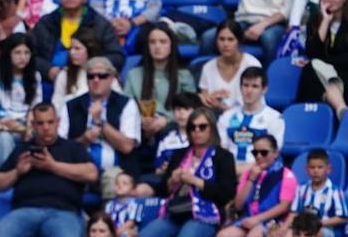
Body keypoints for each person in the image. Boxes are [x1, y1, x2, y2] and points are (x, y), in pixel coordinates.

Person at [0, 102, 99, 237]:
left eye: (50, 122)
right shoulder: (23, 148)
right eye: (40, 123)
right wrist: (17, 172)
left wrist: (53, 166)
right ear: (33, 124)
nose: (46, 127)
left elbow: (92, 173)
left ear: (58, 121)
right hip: (25, 210)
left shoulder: (73, 147)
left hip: (62, 211)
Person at [134, 107, 238, 237]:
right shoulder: (179, 154)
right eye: (192, 127)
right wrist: (172, 181)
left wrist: (195, 181)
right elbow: (163, 190)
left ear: (212, 129)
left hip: (205, 214)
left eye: (202, 127)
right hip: (177, 210)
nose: (197, 131)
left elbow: (226, 193)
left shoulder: (223, 157)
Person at [28, 0, 122, 80]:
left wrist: (91, 67)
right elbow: (29, 54)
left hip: (89, 82)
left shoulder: (100, 24)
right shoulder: (46, 23)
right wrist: (48, 70)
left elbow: (117, 57)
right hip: (49, 82)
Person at [216, 133, 295, 237]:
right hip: (247, 218)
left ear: (275, 153)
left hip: (272, 220)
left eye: (263, 152)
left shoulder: (286, 175)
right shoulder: (248, 174)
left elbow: (284, 206)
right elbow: (238, 205)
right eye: (255, 153)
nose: (258, 156)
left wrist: (257, 219)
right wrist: (251, 180)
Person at [62, 55, 139, 177]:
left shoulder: (127, 104)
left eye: (102, 76)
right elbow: (61, 148)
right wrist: (84, 140)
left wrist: (100, 122)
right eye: (91, 76)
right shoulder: (70, 105)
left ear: (112, 78)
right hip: (78, 170)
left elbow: (127, 146)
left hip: (117, 173)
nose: (96, 80)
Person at [126, 22, 195, 155]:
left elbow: (191, 109)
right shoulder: (133, 74)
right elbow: (125, 107)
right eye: (153, 42)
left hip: (172, 128)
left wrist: (166, 120)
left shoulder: (184, 76)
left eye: (163, 42)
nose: (157, 46)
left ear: (171, 46)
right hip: (140, 128)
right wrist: (139, 119)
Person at [0, 32, 41, 166]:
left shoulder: (35, 77)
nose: (22, 57)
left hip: (22, 127)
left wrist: (28, 129)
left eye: (26, 53)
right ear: (9, 54)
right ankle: (6, 177)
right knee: (4, 137)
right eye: (17, 53)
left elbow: (33, 110)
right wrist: (3, 124)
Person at [217, 65, 285, 170]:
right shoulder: (226, 116)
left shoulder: (275, 118)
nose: (249, 90)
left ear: (264, 89)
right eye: (246, 85)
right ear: (240, 87)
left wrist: (244, 170)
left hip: (260, 172)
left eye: (255, 86)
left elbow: (273, 154)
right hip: (229, 172)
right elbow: (221, 149)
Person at [291, 147, 348, 237]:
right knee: (285, 235)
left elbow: (342, 218)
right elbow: (294, 213)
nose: (316, 171)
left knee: (312, 235)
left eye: (320, 167)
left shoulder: (334, 191)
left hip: (327, 230)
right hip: (304, 229)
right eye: (312, 167)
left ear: (328, 169)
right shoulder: (301, 189)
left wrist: (318, 224)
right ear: (306, 169)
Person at [199, 21, 262, 113]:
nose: (225, 44)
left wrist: (223, 107)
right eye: (221, 39)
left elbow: (255, 103)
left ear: (239, 42)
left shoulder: (252, 64)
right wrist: (211, 98)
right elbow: (205, 100)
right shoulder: (208, 67)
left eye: (230, 39)